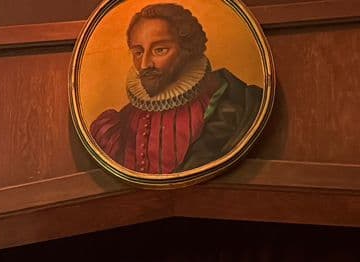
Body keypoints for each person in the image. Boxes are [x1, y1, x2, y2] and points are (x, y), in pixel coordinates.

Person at [88, 3, 266, 176]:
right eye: (138, 52)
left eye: (160, 50)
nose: (144, 64)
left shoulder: (229, 104)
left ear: (187, 50)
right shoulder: (119, 123)